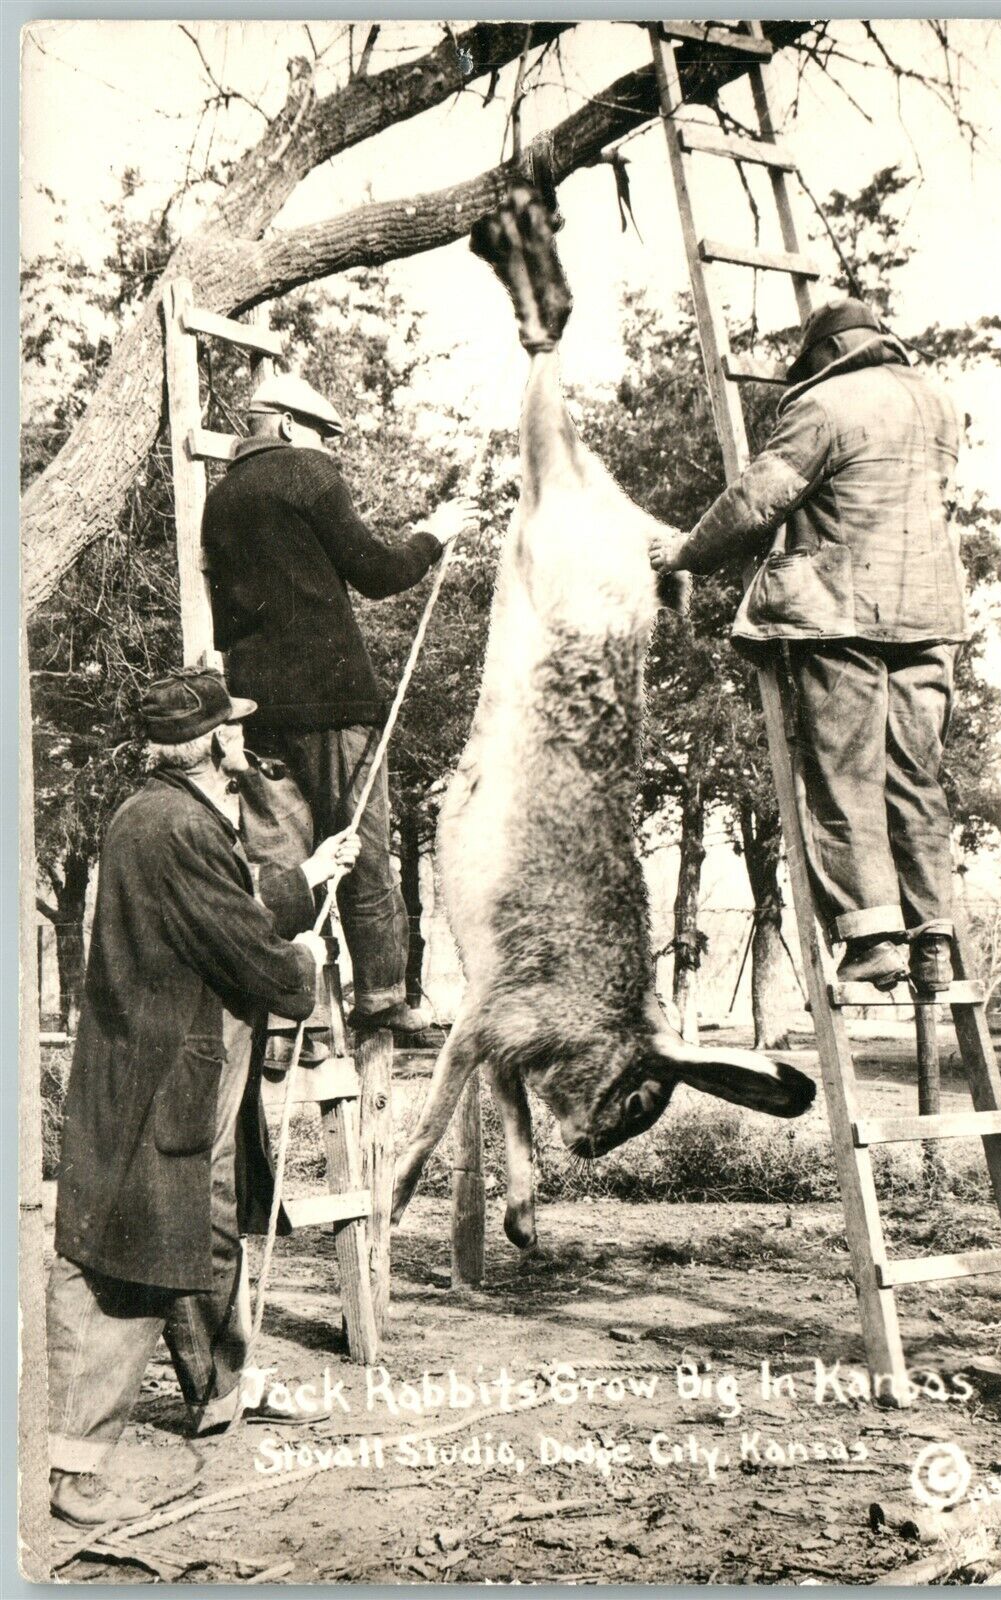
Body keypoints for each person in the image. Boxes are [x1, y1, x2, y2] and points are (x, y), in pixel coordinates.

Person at [47, 668, 361, 1527]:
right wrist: (305, 970)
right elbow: (234, 938)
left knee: (200, 1221)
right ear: (213, 742)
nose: (242, 747)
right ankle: (74, 1470)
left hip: (161, 1064)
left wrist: (305, 876)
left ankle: (222, 1388)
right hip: (163, 1074)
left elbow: (217, 903)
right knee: (129, 1259)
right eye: (233, 732)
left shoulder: (154, 814)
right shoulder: (180, 825)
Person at [650, 298, 967, 994]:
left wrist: (682, 552)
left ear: (825, 352)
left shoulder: (826, 403)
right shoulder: (939, 403)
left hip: (842, 613)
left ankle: (870, 938)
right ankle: (932, 930)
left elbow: (755, 503)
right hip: (933, 615)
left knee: (843, 773)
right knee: (915, 777)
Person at [202, 373, 473, 1036]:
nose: (329, 452)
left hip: (254, 707)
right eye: (325, 437)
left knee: (281, 860)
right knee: (360, 847)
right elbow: (378, 573)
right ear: (292, 427)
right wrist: (433, 534)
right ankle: (381, 997)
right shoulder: (305, 473)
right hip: (332, 701)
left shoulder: (219, 500)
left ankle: (294, 1015)